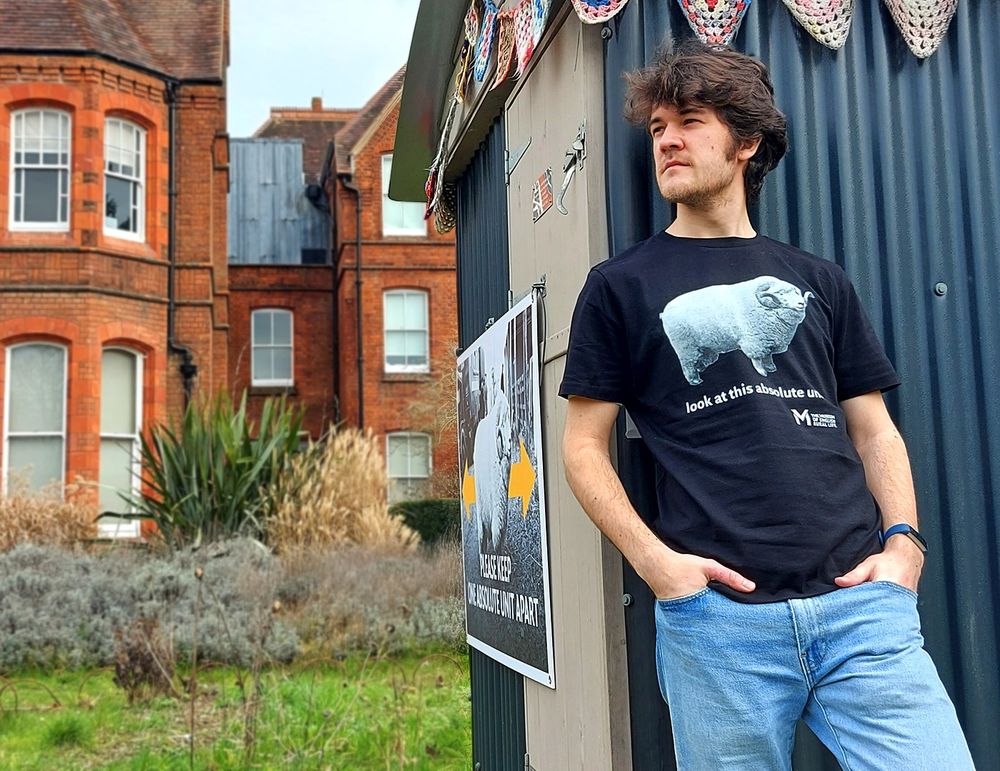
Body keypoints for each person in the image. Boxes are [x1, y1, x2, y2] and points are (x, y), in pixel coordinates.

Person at [559, 41, 975, 770]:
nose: (668, 140)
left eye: (689, 121)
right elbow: (582, 445)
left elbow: (873, 428)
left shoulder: (817, 279)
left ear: (747, 143)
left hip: (860, 613)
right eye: (657, 127)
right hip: (719, 625)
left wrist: (904, 542)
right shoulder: (619, 285)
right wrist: (659, 566)